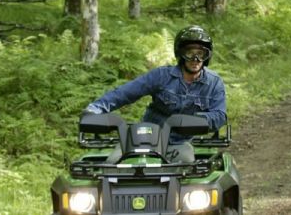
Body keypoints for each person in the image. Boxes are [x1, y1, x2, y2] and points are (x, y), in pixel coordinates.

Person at [83, 25, 227, 162]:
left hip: (179, 142)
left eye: (201, 54)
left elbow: (220, 115)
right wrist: (95, 109)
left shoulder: (214, 83)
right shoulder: (161, 76)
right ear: (181, 54)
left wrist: (193, 121)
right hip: (146, 138)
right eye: (190, 53)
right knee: (113, 164)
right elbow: (125, 92)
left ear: (207, 56)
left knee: (186, 166)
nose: (195, 60)